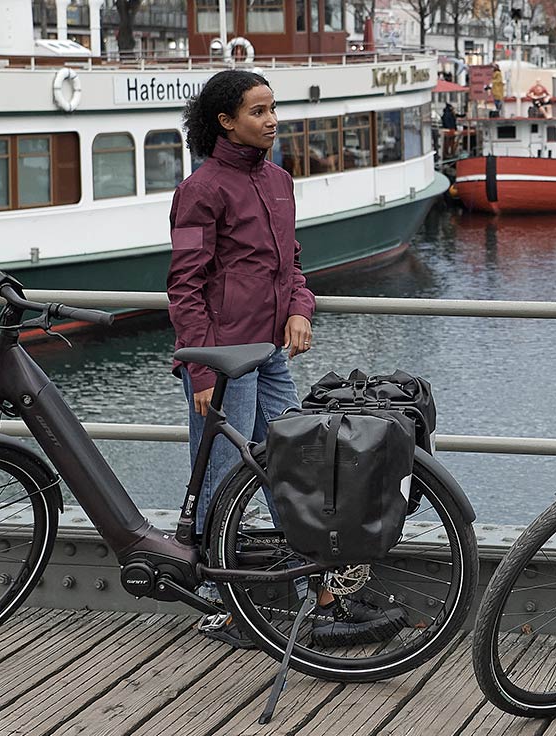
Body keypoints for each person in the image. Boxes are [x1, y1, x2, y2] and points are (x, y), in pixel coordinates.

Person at [169, 69, 405, 649]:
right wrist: (202, 369)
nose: (272, 120)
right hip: (223, 359)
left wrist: (300, 308)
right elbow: (184, 285)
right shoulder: (202, 189)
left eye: (274, 109)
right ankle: (226, 607)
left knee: (296, 463)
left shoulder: (278, 180)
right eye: (258, 111)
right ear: (226, 121)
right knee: (228, 478)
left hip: (269, 351)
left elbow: (292, 264)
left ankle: (317, 594)